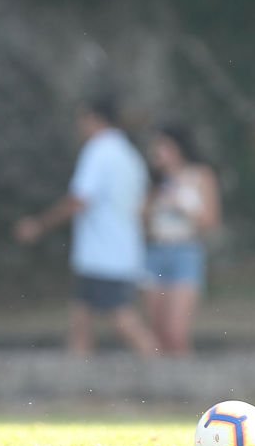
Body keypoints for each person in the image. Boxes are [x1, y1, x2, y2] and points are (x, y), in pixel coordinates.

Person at [15, 97, 157, 357]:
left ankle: (164, 373)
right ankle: (77, 383)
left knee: (122, 319)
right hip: (116, 251)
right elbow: (143, 203)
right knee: (80, 318)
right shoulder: (129, 154)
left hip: (104, 254)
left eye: (82, 119)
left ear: (95, 119)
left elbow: (79, 200)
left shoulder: (99, 151)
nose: (79, 126)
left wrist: (40, 224)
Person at [143, 124, 221, 355]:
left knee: (176, 332)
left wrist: (183, 207)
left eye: (162, 146)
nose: (157, 152)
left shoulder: (199, 176)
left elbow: (211, 220)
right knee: (157, 333)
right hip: (155, 251)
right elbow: (143, 221)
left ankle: (187, 386)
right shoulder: (155, 181)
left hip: (185, 252)